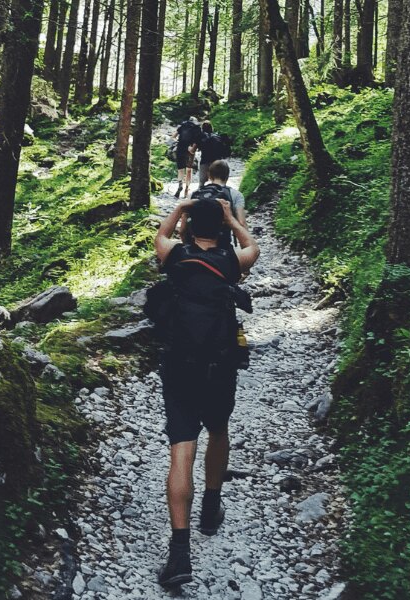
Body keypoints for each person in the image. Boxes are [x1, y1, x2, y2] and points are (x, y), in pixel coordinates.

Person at [153, 198, 260, 588]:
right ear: (222, 230)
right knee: (218, 429)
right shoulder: (233, 263)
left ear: (190, 226)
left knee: (182, 451)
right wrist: (234, 218)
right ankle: (211, 508)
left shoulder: (176, 257)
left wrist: (180, 208)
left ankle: (180, 552)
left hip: (180, 367)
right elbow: (253, 247)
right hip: (220, 366)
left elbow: (159, 235)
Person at [181, 160, 247, 247]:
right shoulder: (236, 195)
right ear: (227, 176)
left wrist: (186, 245)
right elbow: (241, 223)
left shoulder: (194, 194)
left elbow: (183, 228)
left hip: (195, 245)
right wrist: (245, 248)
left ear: (209, 175)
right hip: (222, 245)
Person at [173, 117, 204, 198]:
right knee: (189, 170)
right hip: (190, 149)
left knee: (180, 170)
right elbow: (198, 140)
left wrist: (177, 141)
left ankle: (180, 185)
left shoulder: (183, 125)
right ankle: (186, 189)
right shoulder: (196, 128)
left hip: (180, 148)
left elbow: (173, 136)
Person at [194, 121, 232, 187]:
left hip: (205, 161)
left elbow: (192, 150)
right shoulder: (217, 137)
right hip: (217, 162)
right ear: (212, 128)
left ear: (202, 129)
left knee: (201, 183)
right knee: (218, 181)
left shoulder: (200, 137)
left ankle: (200, 193)